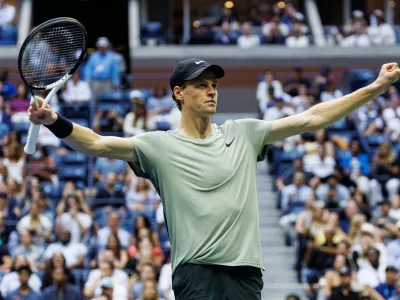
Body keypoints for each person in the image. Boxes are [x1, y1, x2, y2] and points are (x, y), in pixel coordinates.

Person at [27, 59, 400, 299]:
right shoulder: (157, 145)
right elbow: (96, 144)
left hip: (246, 275)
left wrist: (373, 89)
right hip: (197, 274)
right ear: (178, 93)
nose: (211, 91)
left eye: (214, 85)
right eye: (201, 85)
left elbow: (313, 118)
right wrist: (53, 121)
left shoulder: (245, 132)